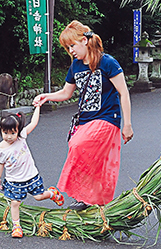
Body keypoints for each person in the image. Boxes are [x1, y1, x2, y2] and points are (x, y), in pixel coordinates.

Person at [33, 20, 134, 210]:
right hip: (85, 120)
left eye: (72, 45)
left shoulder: (107, 62)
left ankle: (89, 198)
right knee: (84, 153)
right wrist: (46, 96)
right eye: (67, 47)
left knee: (80, 145)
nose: (71, 50)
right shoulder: (76, 66)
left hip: (107, 118)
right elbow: (66, 93)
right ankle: (89, 199)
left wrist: (127, 124)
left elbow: (124, 92)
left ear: (85, 41)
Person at [0, 106, 64, 238]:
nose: (9, 137)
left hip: (31, 176)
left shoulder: (21, 137)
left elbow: (34, 122)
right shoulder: (0, 149)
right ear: (1, 131)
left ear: (18, 131)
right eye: (5, 133)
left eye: (12, 133)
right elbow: (0, 163)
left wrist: (37, 107)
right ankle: (16, 226)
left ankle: (52, 193)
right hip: (14, 180)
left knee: (39, 197)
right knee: (15, 203)